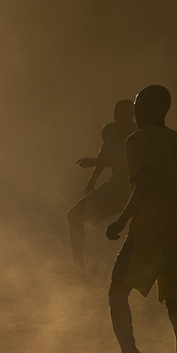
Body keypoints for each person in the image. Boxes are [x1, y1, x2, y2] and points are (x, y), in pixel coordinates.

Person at [104, 84, 177, 353]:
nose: (133, 112)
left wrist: (121, 220)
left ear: (143, 110)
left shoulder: (138, 140)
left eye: (136, 106)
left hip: (148, 233)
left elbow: (145, 180)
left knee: (117, 292)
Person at [68, 99, 136, 272]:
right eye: (116, 113)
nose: (118, 118)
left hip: (134, 189)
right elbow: (104, 150)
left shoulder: (137, 135)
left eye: (123, 114)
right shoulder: (109, 130)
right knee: (74, 215)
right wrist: (93, 178)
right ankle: (78, 266)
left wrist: (96, 162)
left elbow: (126, 162)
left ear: (132, 116)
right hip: (114, 185)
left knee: (140, 229)